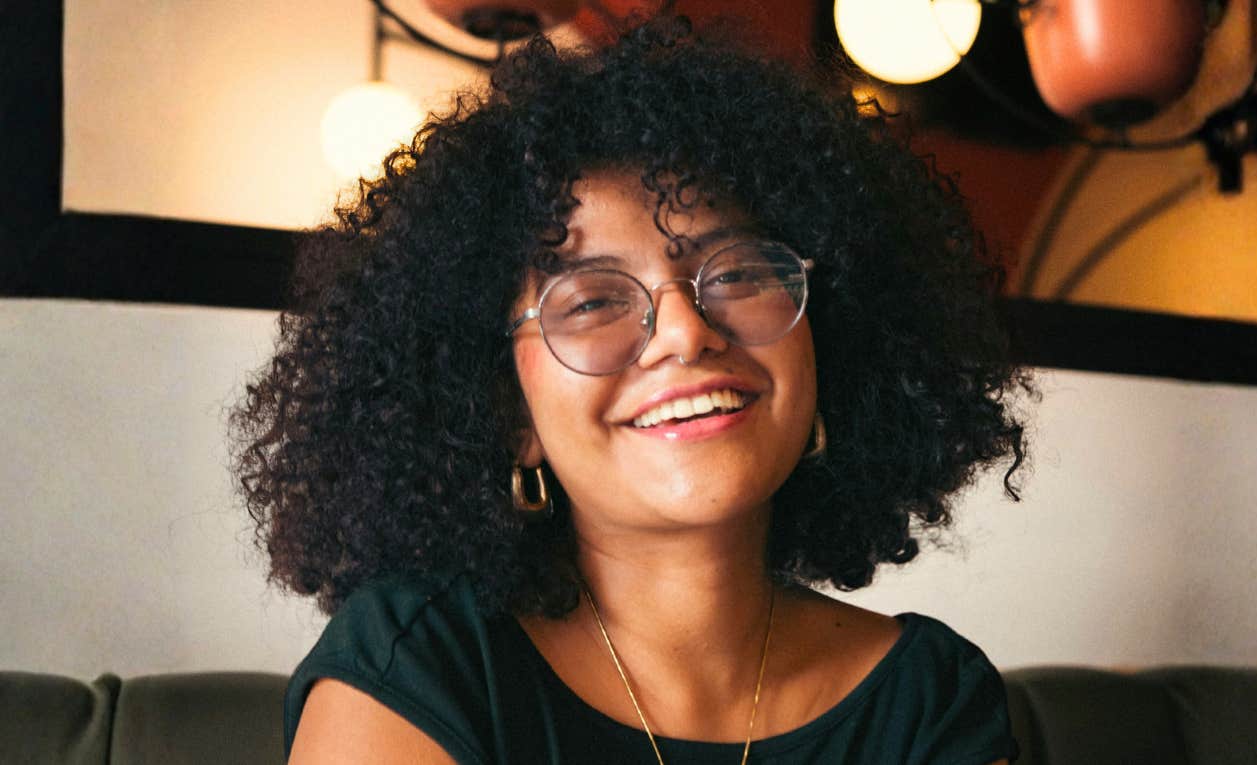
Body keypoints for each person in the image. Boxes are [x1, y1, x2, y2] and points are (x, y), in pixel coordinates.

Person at [231, 14, 1029, 765]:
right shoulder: (419, 662)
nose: (685, 331)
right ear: (509, 413)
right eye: (592, 302)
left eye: (738, 273)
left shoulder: (927, 697)